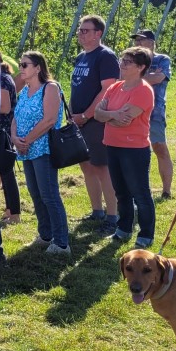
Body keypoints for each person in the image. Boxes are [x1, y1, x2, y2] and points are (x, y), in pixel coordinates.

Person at [94, 47, 157, 248]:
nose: (122, 64)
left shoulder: (144, 91)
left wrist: (108, 114)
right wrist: (113, 114)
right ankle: (123, 228)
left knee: (139, 192)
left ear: (141, 67)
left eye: (128, 62)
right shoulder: (115, 87)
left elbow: (125, 121)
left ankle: (146, 234)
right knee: (120, 190)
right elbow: (97, 113)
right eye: (123, 60)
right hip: (113, 145)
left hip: (134, 148)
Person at [12, 51, 71, 254]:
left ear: (38, 68)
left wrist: (26, 140)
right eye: (20, 64)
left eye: (25, 64)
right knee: (36, 193)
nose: (21, 68)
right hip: (26, 149)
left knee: (49, 194)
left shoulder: (51, 88)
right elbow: (15, 117)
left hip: (43, 148)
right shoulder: (24, 91)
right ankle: (45, 235)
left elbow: (49, 120)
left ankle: (61, 242)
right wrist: (14, 138)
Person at [69, 15, 120, 233]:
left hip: (96, 121)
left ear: (98, 33)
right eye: (80, 30)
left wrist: (87, 115)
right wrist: (72, 115)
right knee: (86, 166)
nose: (81, 34)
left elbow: (107, 91)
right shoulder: (81, 57)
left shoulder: (105, 56)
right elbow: (76, 87)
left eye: (86, 30)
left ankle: (113, 215)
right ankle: (96, 211)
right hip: (78, 120)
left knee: (101, 167)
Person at [130, 30, 173, 198]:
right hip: (132, 111)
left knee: (160, 148)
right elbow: (121, 79)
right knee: (137, 152)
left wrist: (133, 77)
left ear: (152, 42)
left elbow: (158, 78)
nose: (138, 43)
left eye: (141, 40)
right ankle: (139, 189)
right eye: (136, 40)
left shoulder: (162, 59)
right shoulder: (130, 60)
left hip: (155, 112)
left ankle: (166, 190)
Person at [0, 60, 23, 227]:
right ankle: (9, 210)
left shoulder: (1, 79)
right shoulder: (4, 77)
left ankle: (14, 213)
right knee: (3, 172)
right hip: (2, 131)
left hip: (3, 131)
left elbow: (5, 108)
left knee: (6, 174)